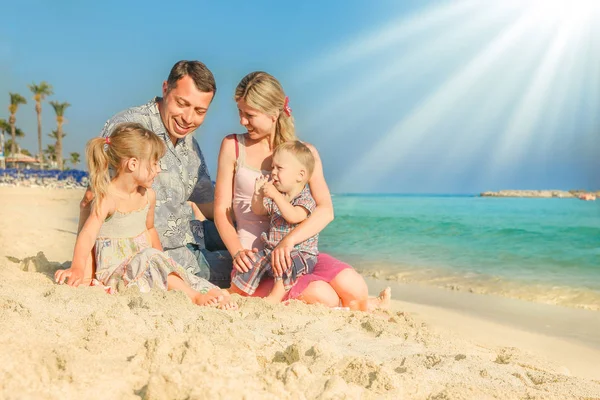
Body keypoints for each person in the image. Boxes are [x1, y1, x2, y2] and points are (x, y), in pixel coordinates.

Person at [215, 71, 391, 309]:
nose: (242, 121)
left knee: (355, 286)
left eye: (250, 115)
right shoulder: (233, 146)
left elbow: (325, 210)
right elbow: (222, 210)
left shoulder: (304, 155)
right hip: (254, 258)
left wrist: (288, 242)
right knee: (323, 296)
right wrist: (237, 252)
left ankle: (364, 306)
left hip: (296, 252)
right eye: (240, 112)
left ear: (274, 114)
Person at [76, 60, 232, 289]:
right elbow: (93, 201)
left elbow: (207, 203)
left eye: (199, 111)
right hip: (160, 253)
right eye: (182, 103)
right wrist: (85, 270)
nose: (189, 118)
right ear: (165, 88)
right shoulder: (131, 129)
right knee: (251, 270)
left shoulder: (190, 143)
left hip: (192, 232)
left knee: (255, 242)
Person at [55, 123, 236, 310]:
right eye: (154, 163)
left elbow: (150, 229)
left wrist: (163, 259)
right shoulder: (108, 197)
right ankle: (195, 297)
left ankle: (208, 292)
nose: (158, 170)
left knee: (168, 265)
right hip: (119, 273)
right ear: (133, 164)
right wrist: (77, 266)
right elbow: (88, 235)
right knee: (151, 258)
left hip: (145, 264)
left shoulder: (148, 195)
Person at [231, 141, 319, 303]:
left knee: (287, 263)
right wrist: (258, 194)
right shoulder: (280, 196)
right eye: (272, 168)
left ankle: (274, 298)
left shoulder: (305, 198)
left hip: (300, 254)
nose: (273, 172)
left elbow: (294, 216)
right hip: (272, 251)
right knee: (253, 262)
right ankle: (235, 291)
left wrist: (275, 196)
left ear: (300, 175)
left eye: (279, 168)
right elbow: (259, 210)